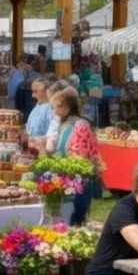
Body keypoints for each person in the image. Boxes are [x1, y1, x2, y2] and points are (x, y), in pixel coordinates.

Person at [50, 88, 102, 226]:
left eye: (55, 107)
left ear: (65, 106)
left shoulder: (80, 124)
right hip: (66, 172)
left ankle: (78, 222)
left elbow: (82, 153)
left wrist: (72, 169)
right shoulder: (65, 122)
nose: (54, 111)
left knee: (77, 212)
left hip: (78, 175)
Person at [26, 77, 53, 152]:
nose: (32, 95)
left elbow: (51, 135)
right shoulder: (38, 105)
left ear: (45, 92)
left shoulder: (50, 109)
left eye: (35, 91)